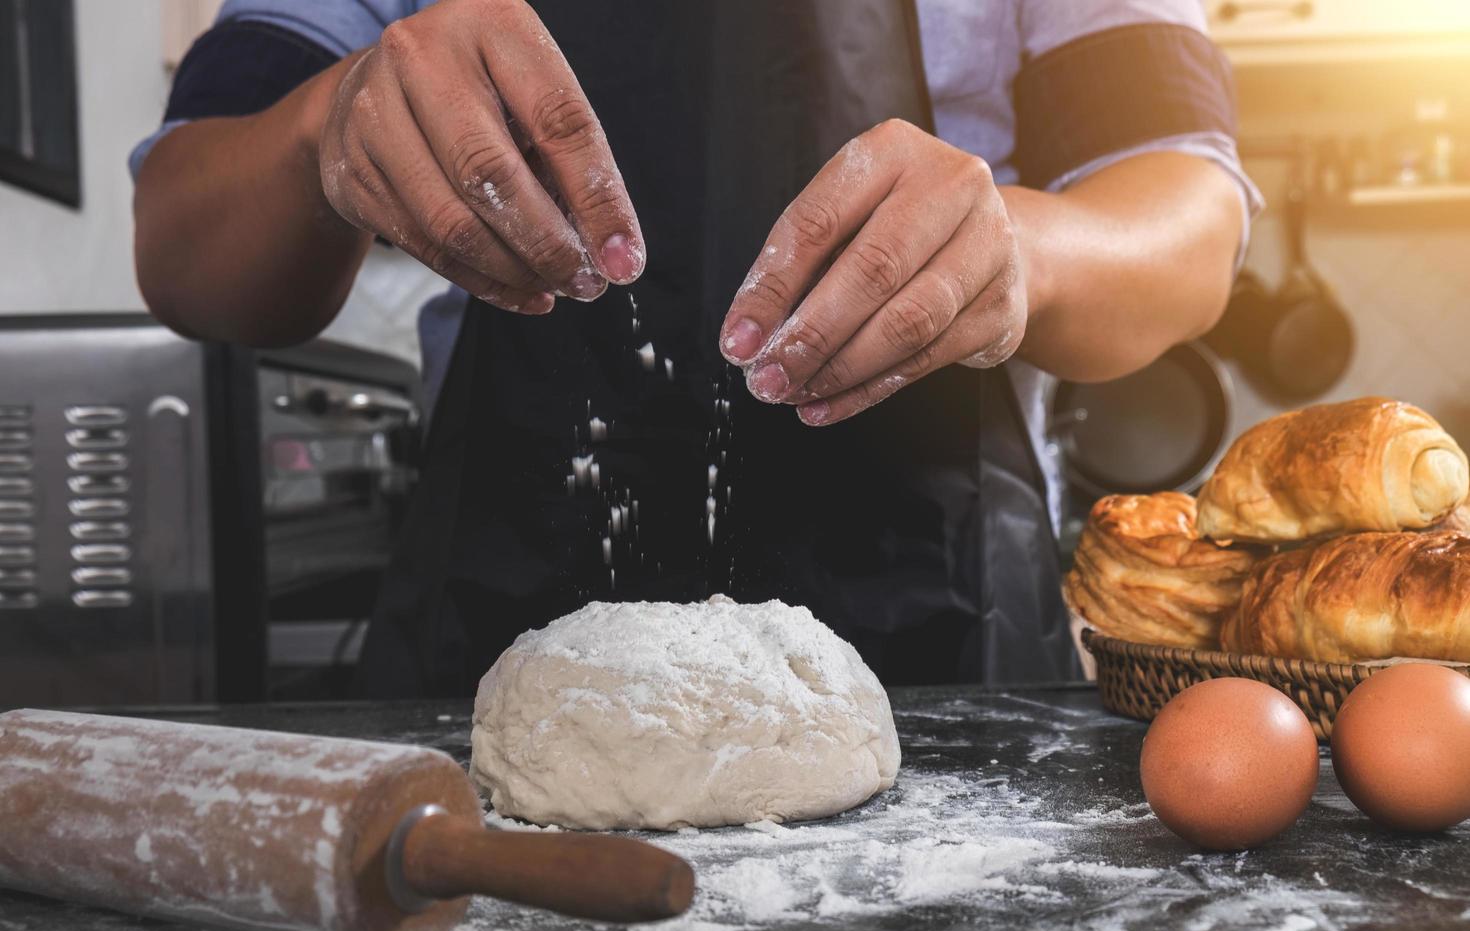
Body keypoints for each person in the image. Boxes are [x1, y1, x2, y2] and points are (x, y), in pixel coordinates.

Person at [133, 0, 1260, 695]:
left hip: (941, 611)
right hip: (500, 602)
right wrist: (326, 125)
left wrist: (1021, 247)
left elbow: (1190, 221)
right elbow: (186, 248)